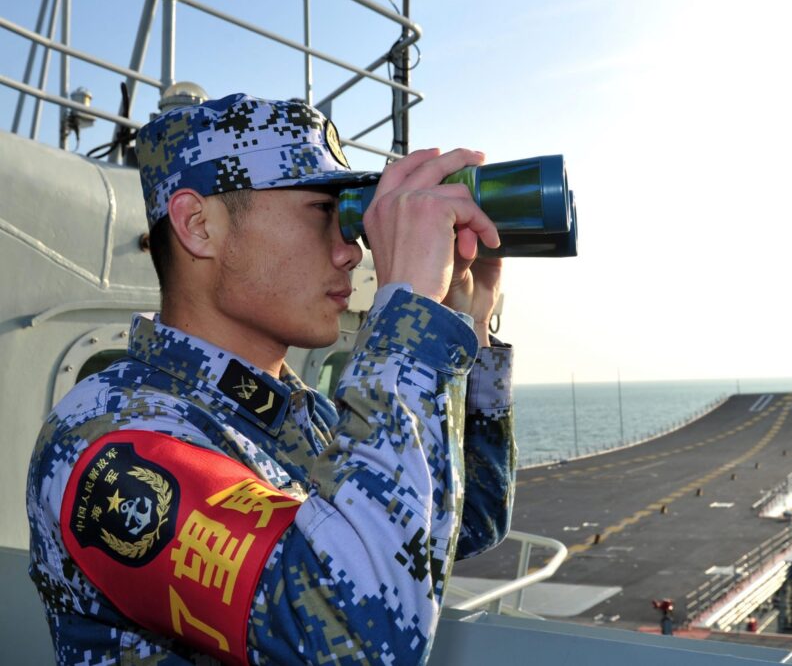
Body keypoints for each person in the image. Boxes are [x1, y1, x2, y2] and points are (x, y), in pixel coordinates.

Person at [26, 93, 516, 665]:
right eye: (321, 214)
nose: (351, 253)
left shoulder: (290, 411)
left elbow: (465, 520)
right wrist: (408, 318)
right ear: (197, 225)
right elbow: (359, 637)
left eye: (351, 220)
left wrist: (465, 318)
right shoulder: (112, 441)